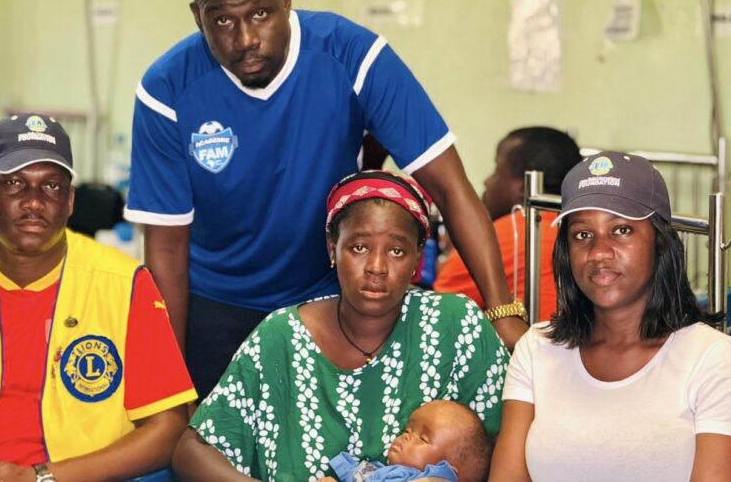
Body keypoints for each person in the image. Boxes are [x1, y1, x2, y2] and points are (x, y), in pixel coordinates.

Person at [123, 0, 525, 399]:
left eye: (260, 13)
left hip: (324, 300)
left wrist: (502, 310)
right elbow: (166, 250)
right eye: (223, 20)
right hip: (215, 307)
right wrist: (169, 383)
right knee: (205, 441)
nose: (245, 39)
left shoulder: (354, 56)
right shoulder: (166, 90)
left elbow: (450, 188)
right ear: (198, 16)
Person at [172, 171, 508, 482]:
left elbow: (507, 445)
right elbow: (192, 451)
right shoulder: (282, 337)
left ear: (418, 257)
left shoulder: (454, 325)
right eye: (359, 247)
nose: (376, 267)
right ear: (333, 247)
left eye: (397, 251)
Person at [0, 115, 196, 481]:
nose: (34, 202)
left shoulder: (124, 284)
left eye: (51, 186)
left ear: (70, 200)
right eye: (14, 183)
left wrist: (39, 477)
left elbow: (169, 430)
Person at [489, 152, 731, 482]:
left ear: (660, 243)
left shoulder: (712, 358)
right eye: (582, 235)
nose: (599, 252)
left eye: (621, 230)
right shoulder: (537, 349)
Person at [434, 127, 580, 321]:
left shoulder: (501, 235)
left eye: (497, 171)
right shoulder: (581, 230)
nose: (487, 182)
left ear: (523, 186)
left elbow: (438, 310)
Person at [323, 400, 493, 482]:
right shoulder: (381, 471)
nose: (406, 436)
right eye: (407, 430)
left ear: (447, 472)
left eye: (423, 438)